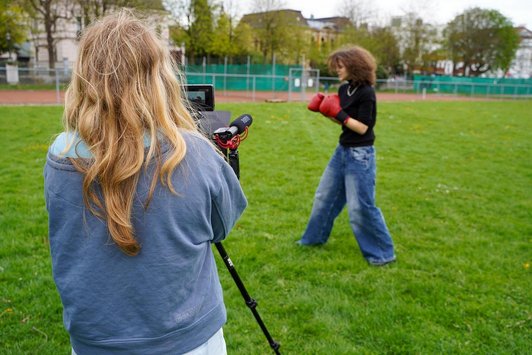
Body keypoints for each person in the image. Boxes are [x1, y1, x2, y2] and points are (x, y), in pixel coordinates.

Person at [44, 10, 247, 354]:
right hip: (188, 339)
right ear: (158, 77)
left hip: (95, 339)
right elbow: (221, 226)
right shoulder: (194, 153)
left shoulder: (59, 154)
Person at [298, 46, 396, 266]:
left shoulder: (367, 93)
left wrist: (338, 113)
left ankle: (383, 253)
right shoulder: (344, 89)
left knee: (360, 207)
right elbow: (342, 121)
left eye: (340, 66)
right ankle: (312, 240)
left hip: (361, 155)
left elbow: (362, 127)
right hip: (342, 151)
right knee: (324, 196)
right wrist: (325, 112)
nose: (337, 71)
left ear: (354, 66)